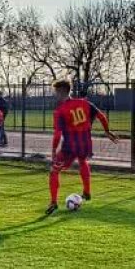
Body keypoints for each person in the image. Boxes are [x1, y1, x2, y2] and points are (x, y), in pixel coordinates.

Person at [46, 79, 118, 215]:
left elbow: (57, 134)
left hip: (69, 146)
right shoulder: (85, 103)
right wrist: (107, 131)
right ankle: (87, 192)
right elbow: (101, 116)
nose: (55, 95)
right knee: (82, 161)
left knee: (54, 171)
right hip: (85, 143)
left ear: (61, 92)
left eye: (55, 92)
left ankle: (53, 202)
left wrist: (53, 151)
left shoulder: (60, 111)